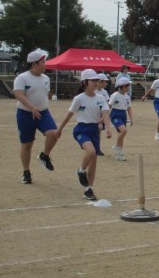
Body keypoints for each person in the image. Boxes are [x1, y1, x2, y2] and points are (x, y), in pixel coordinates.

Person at [57, 69, 112, 200]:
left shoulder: (101, 98)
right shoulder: (79, 99)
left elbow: (105, 114)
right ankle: (81, 171)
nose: (96, 83)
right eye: (92, 80)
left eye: (97, 80)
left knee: (94, 161)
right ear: (84, 82)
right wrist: (59, 129)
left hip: (94, 130)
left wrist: (108, 128)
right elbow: (69, 115)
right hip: (81, 129)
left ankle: (89, 189)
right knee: (91, 152)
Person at [13, 50, 60, 184]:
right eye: (43, 62)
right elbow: (18, 94)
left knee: (54, 134)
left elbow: (43, 93)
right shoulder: (22, 78)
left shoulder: (46, 78)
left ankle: (44, 156)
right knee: (27, 144)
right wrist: (32, 107)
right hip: (25, 114)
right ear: (34, 64)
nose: (46, 64)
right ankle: (26, 172)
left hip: (43, 113)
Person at [109, 76, 133, 161]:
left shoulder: (127, 96)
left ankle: (119, 154)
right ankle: (116, 146)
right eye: (127, 86)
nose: (129, 87)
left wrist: (131, 118)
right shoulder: (115, 95)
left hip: (123, 115)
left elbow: (129, 108)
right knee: (124, 131)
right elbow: (109, 106)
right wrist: (105, 116)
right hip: (115, 114)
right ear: (122, 86)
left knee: (121, 134)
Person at [95, 73, 111, 156]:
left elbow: (107, 106)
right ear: (100, 82)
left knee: (99, 131)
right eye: (105, 82)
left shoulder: (105, 92)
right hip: (93, 114)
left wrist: (102, 119)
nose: (106, 84)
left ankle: (97, 148)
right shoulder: (93, 91)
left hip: (102, 114)